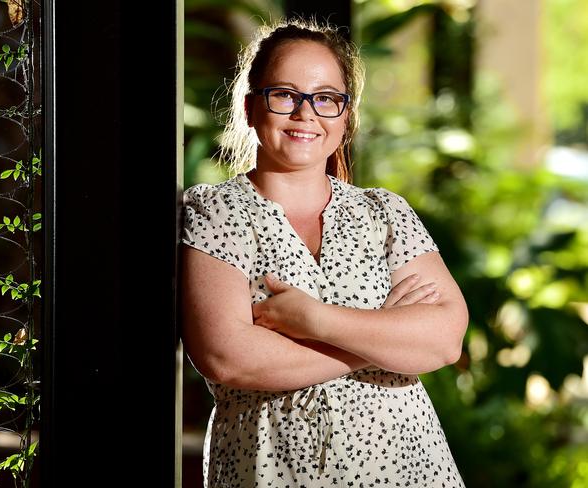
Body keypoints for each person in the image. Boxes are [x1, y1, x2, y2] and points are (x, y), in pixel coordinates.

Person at [180, 15, 468, 487]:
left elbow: (444, 340)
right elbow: (229, 357)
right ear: (251, 107)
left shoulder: (385, 212)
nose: (306, 113)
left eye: (327, 98)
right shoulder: (216, 211)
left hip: (408, 468)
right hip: (271, 468)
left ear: (345, 116)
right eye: (285, 94)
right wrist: (383, 344)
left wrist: (313, 321)